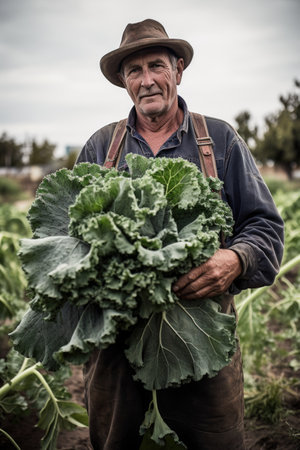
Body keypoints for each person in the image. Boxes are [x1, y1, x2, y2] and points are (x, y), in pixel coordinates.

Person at [76, 19, 284, 450]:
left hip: (200, 336)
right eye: (134, 71)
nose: (147, 80)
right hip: (117, 346)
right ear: (123, 81)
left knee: (213, 442)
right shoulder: (101, 147)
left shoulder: (220, 140)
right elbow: (69, 236)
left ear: (179, 69)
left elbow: (265, 227)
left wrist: (236, 259)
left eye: (157, 65)